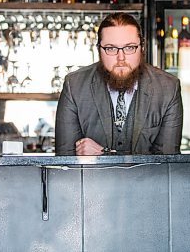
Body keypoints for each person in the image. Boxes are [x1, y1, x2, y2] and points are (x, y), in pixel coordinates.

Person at [55, 12, 183, 155]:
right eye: (111, 48)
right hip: (90, 179)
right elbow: (64, 164)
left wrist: (105, 154)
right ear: (99, 50)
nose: (120, 58)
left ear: (142, 48)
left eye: (129, 47)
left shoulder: (168, 88)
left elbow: (168, 166)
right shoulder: (74, 86)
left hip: (151, 179)